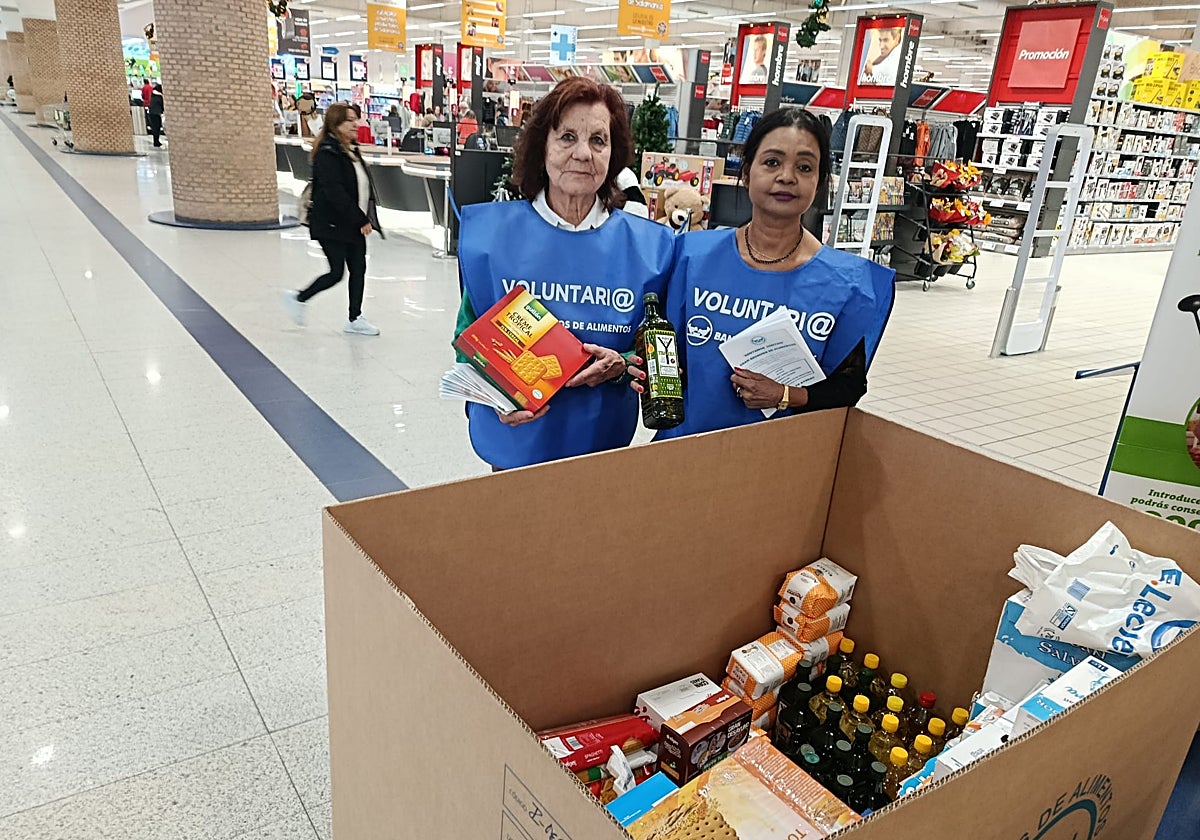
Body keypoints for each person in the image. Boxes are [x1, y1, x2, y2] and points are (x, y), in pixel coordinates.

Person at [455, 76, 675, 470]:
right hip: (516, 439)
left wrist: (622, 364)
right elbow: (466, 340)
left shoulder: (649, 248)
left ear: (614, 155)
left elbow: (656, 352)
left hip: (599, 446)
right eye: (567, 137)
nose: (583, 153)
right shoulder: (493, 238)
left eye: (598, 140)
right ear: (543, 146)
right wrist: (494, 396)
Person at [636, 107, 894, 440]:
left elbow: (849, 388)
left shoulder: (849, 285)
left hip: (779, 460)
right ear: (746, 172)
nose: (787, 176)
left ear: (819, 183)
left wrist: (786, 395)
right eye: (772, 162)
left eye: (804, 167)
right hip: (685, 451)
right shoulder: (690, 255)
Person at [286, 102, 384, 336]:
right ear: (336, 123)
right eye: (349, 120)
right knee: (336, 272)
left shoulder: (351, 149)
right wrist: (360, 218)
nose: (355, 124)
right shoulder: (327, 152)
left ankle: (355, 317)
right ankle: (299, 298)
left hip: (352, 222)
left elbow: (360, 186)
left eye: (355, 119)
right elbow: (335, 191)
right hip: (332, 223)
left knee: (359, 268)